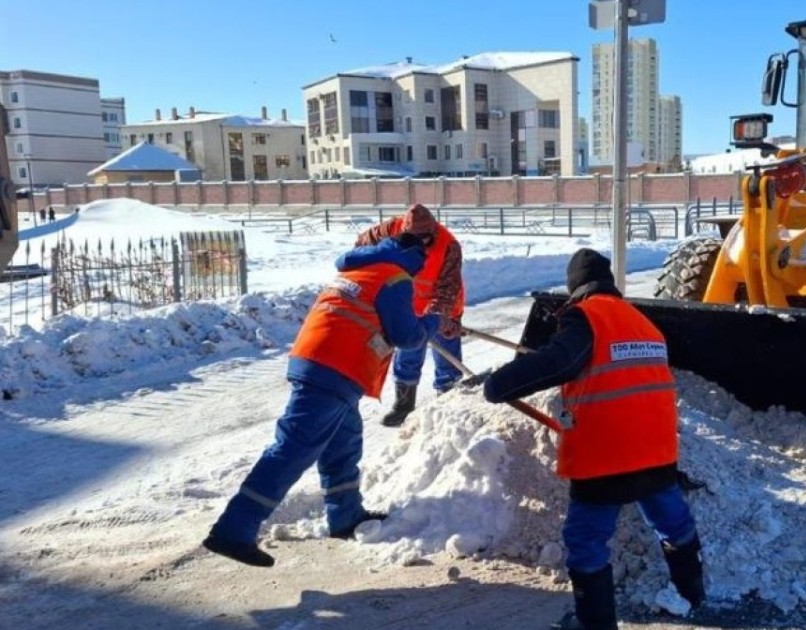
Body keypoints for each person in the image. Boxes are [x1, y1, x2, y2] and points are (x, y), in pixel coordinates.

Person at [482, 249, 705, 630]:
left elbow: (562, 362)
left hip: (607, 457)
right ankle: (692, 595)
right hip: (657, 452)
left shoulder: (586, 317)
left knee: (585, 541)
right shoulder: (642, 323)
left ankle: (594, 624)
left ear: (576, 289)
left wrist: (499, 384)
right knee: (673, 522)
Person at [203, 233, 436, 568]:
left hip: (320, 362)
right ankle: (234, 529)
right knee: (293, 448)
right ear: (415, 256)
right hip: (335, 367)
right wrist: (433, 321)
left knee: (344, 442)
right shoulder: (396, 276)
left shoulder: (360, 269)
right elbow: (407, 336)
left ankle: (345, 515)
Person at [355, 204, 465, 427]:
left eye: (424, 239)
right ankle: (404, 406)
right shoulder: (390, 229)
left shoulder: (448, 245)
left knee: (447, 357)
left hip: (444, 307)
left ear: (432, 231)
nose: (420, 244)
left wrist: (436, 319)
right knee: (408, 353)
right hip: (409, 306)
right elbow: (360, 248)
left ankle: (447, 403)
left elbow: (447, 289)